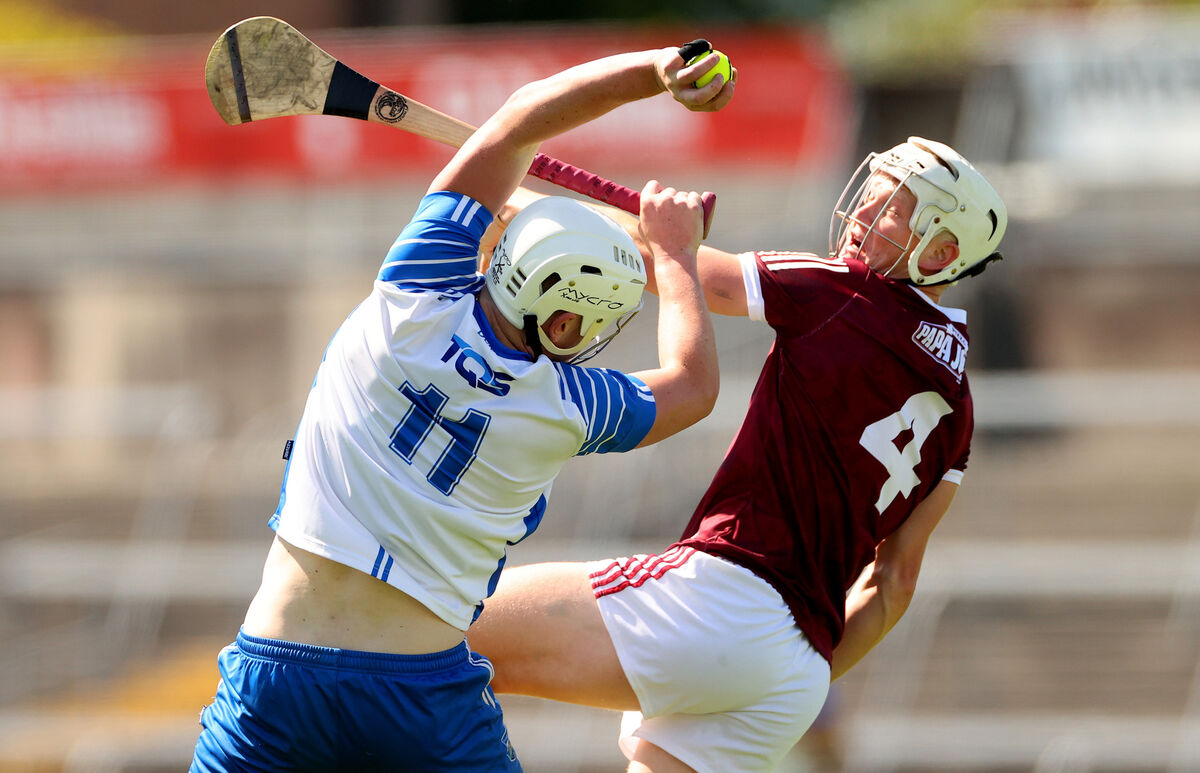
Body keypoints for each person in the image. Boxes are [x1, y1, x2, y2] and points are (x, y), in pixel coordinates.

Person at [190, 44, 737, 772]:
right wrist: (675, 257)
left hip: (275, 682)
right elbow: (692, 386)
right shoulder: (569, 407)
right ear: (567, 324)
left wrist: (659, 69)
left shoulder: (413, 292)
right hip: (424, 705)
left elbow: (519, 120)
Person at [469, 137, 1008, 772]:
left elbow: (677, 271)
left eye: (890, 208)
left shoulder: (847, 293)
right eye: (870, 194)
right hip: (794, 674)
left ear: (940, 253)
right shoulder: (960, 413)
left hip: (725, 598)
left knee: (432, 631)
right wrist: (778, 673)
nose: (862, 212)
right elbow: (894, 585)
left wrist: (497, 197)